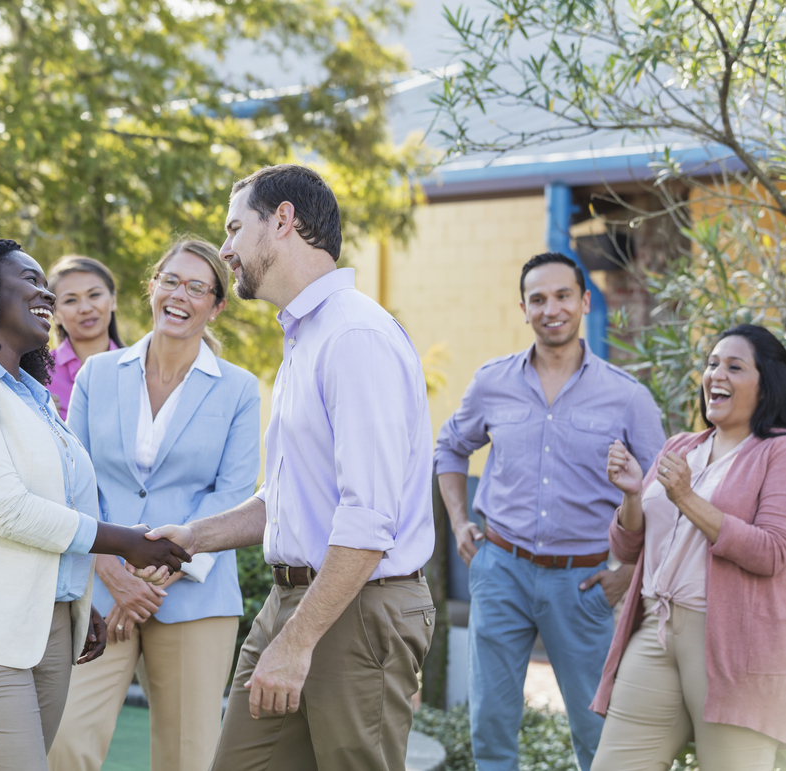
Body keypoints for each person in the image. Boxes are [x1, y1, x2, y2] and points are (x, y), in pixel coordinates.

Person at [139, 164, 435, 771]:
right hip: (292, 601)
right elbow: (288, 496)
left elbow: (368, 518)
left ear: (282, 221)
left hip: (359, 612)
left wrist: (297, 642)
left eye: (233, 228)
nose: (225, 250)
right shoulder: (305, 336)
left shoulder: (355, 336)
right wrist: (195, 538)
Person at [0, 233, 193, 771]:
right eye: (29, 280)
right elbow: (2, 505)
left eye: (45, 284)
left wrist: (74, 595)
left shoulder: (32, 395)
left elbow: (54, 501)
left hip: (45, 624)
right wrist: (124, 541)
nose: (46, 294)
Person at [433, 252, 666, 771]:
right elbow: (449, 448)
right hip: (500, 570)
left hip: (584, 583)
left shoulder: (627, 397)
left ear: (584, 302)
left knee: (597, 730)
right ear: (524, 308)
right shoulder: (492, 382)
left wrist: (629, 572)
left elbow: (665, 494)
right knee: (491, 723)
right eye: (538, 299)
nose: (551, 308)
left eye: (562, 296)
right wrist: (458, 521)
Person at [48, 238, 260, 771]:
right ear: (152, 287)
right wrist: (112, 571)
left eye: (197, 287)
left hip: (194, 599)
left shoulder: (240, 390)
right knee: (66, 743)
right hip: (100, 593)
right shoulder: (99, 375)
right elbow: (75, 481)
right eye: (171, 280)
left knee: (187, 758)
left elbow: (232, 494)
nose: (179, 295)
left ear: (217, 305)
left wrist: (151, 577)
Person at [592, 324, 786, 770]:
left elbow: (771, 552)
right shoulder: (682, 447)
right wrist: (631, 495)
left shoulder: (776, 453)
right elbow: (626, 548)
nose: (716, 374)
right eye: (712, 363)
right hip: (655, 629)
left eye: (734, 367)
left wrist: (686, 498)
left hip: (732, 645)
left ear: (766, 383)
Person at [46, 256, 125, 418]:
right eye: (71, 300)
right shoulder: (37, 375)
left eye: (94, 295)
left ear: (113, 300)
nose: (85, 308)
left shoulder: (142, 368)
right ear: (56, 314)